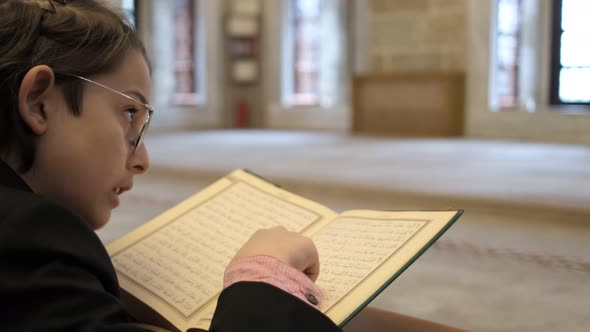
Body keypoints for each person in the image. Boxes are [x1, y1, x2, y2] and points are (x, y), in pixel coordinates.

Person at [0, 0, 341, 331]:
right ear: (39, 102)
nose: (143, 162)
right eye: (130, 113)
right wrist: (263, 282)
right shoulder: (30, 239)